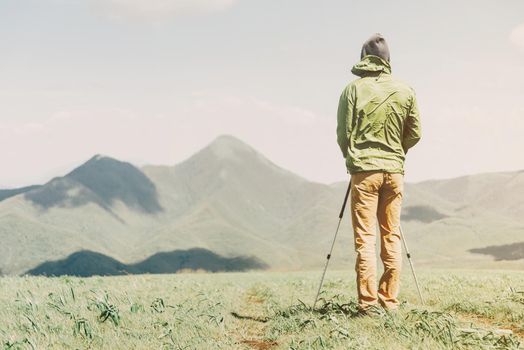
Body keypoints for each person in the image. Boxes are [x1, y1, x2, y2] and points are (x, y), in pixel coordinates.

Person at [336, 33, 421, 313]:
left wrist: (353, 158)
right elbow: (415, 133)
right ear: (388, 60)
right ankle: (389, 301)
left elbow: (343, 134)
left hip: (364, 172)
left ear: (363, 59)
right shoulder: (406, 90)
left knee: (365, 238)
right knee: (390, 235)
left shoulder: (353, 90)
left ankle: (369, 304)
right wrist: (397, 152)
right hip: (394, 172)